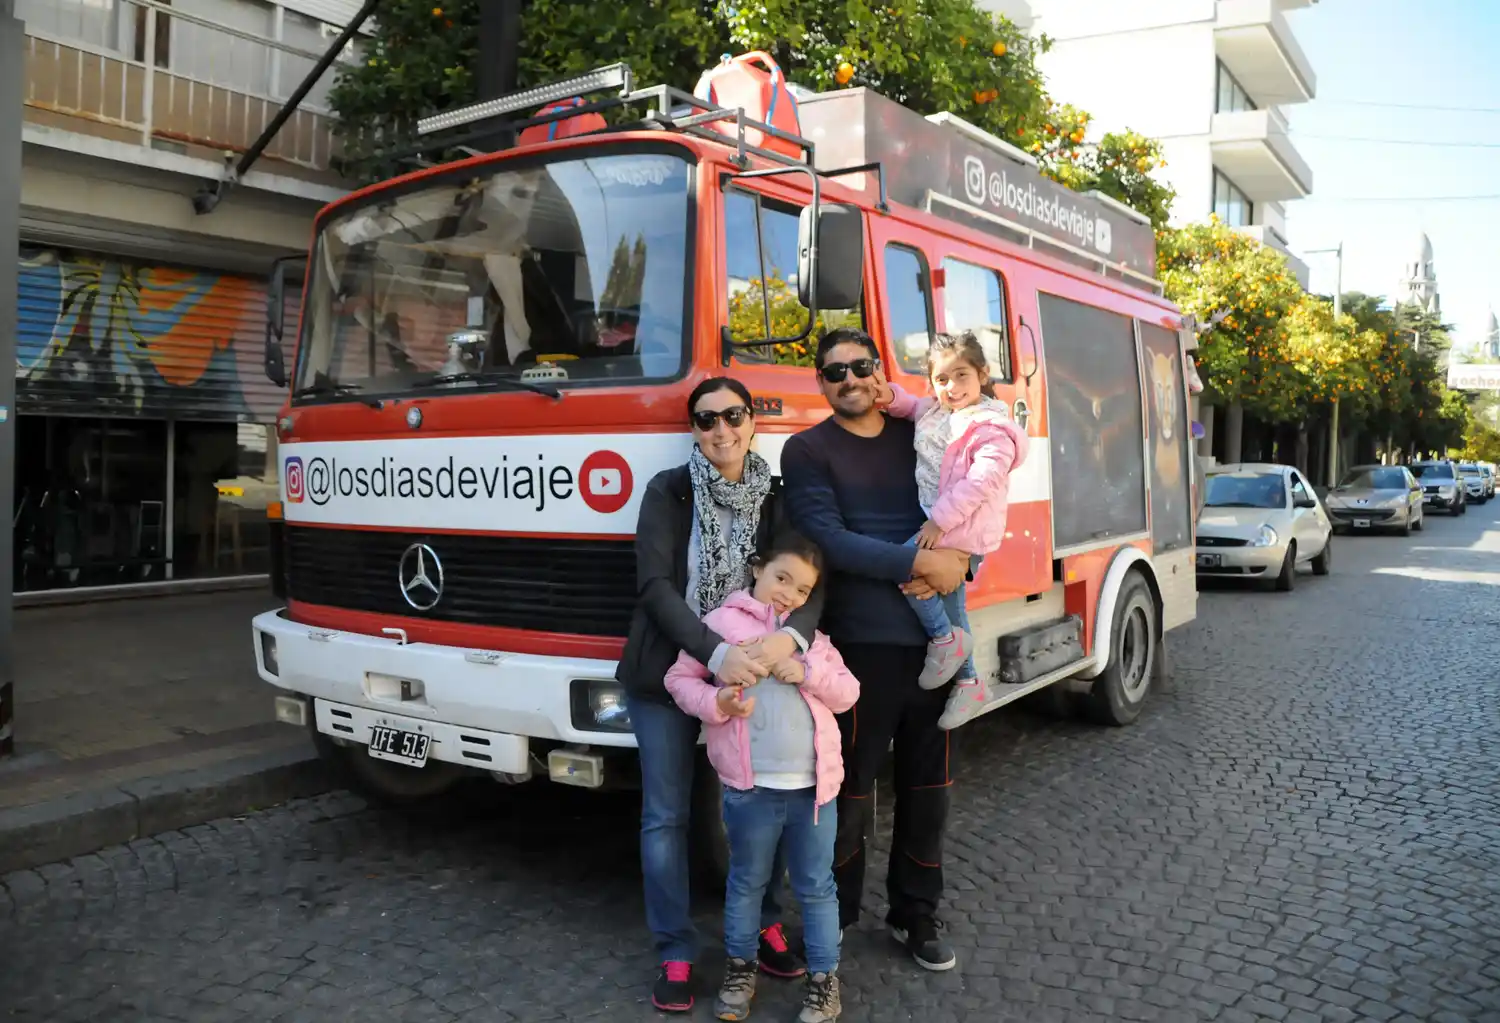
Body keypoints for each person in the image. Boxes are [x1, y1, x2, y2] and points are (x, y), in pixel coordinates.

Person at [615, 377, 824, 1013]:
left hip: (758, 671)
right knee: (666, 817)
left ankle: (762, 928)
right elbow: (654, 585)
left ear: (751, 422)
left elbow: (813, 582)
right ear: (694, 430)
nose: (721, 430)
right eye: (707, 420)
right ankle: (675, 952)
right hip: (669, 672)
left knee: (758, 810)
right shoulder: (668, 491)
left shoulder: (779, 499)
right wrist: (714, 653)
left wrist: (789, 643)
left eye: (733, 416)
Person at [781, 326, 972, 972]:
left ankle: (916, 913)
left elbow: (967, 501)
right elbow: (830, 541)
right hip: (859, 647)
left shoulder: (918, 435)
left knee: (930, 787)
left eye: (862, 366)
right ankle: (832, 913)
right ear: (821, 384)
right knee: (847, 789)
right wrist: (925, 562)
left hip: (934, 646)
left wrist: (961, 561)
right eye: (836, 372)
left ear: (878, 369)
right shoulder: (807, 451)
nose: (852, 379)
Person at [664, 536, 857, 1023]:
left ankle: (823, 980)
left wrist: (806, 671)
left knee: (816, 886)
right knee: (747, 882)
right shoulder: (721, 624)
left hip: (814, 792)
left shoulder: (812, 639)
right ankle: (740, 970)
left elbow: (848, 692)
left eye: (802, 589)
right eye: (782, 578)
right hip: (750, 791)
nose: (789, 594)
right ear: (758, 570)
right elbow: (679, 679)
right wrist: (716, 704)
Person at [879, 330, 1029, 729]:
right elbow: (909, 407)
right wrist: (887, 395)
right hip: (941, 522)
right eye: (941, 379)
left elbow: (980, 484)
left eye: (961, 375)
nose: (952, 386)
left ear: (982, 375)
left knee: (903, 566)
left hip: (959, 526)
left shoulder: (991, 428)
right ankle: (970, 682)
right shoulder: (935, 412)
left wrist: (938, 521)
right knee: (952, 601)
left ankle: (945, 640)